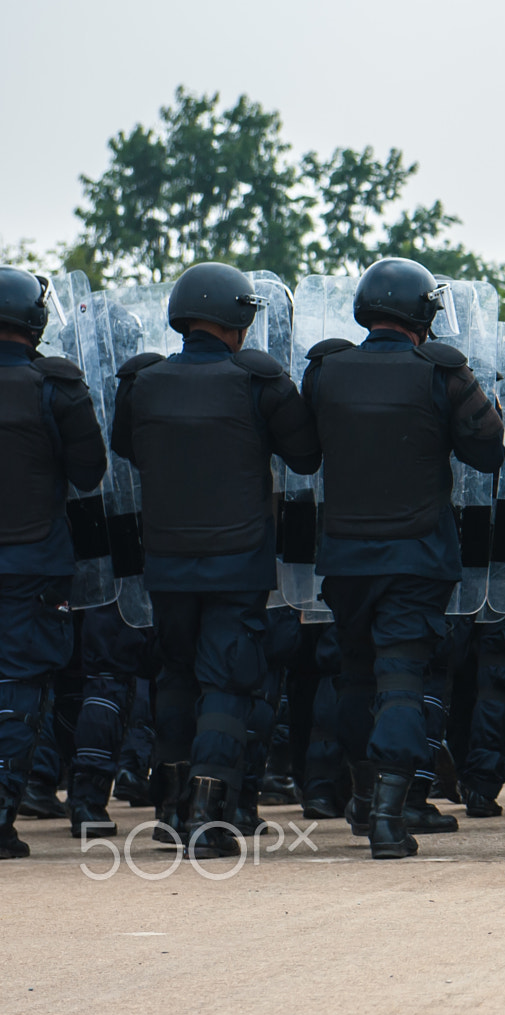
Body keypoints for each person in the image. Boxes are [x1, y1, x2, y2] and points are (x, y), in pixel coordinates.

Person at [110, 261, 321, 858]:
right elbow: (306, 458)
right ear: (237, 320)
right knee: (227, 682)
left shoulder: (142, 381)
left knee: (174, 675)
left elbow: (126, 446)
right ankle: (208, 812)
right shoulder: (259, 381)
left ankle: (170, 810)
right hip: (236, 561)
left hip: (169, 562)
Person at [301, 258, 505, 859]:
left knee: (356, 678)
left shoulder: (326, 370)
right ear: (424, 314)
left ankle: (365, 800)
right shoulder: (440, 371)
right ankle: (389, 817)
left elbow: (303, 453)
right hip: (416, 556)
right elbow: (489, 454)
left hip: (344, 557)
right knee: (400, 682)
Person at [0, 267, 107, 858]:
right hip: (31, 560)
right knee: (18, 689)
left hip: (31, 557)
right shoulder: (57, 383)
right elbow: (91, 473)